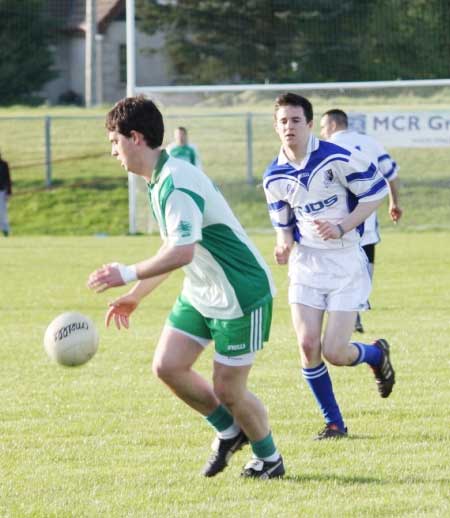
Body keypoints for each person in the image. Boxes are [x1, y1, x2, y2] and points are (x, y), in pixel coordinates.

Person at [87, 96, 284, 479]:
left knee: (229, 390)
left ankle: (269, 458)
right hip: (202, 289)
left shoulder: (175, 182)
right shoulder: (158, 178)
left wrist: (126, 273)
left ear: (136, 138)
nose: (113, 151)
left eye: (115, 142)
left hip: (240, 295)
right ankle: (229, 432)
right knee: (168, 366)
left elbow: (181, 252)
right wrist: (136, 296)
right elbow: (175, 251)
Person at [262, 92, 396, 440]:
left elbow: (376, 191)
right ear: (276, 127)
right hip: (306, 263)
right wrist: (282, 245)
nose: (289, 127)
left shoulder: (336, 157)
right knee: (307, 345)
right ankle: (334, 423)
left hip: (346, 260)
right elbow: (282, 222)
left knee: (335, 351)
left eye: (295, 120)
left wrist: (342, 226)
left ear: (309, 124)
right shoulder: (274, 175)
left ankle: (375, 354)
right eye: (282, 121)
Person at [319, 109, 403, 333]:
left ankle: (340, 308)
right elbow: (390, 174)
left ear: (334, 125)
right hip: (365, 213)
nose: (321, 131)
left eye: (323, 126)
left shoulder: (325, 148)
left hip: (332, 216)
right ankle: (357, 305)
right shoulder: (370, 143)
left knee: (334, 261)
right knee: (365, 253)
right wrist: (393, 203)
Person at [0, 151, 12, 237]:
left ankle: (5, 230)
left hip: (1, 191)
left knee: (2, 212)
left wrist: (8, 192)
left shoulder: (4, 165)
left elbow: (8, 178)